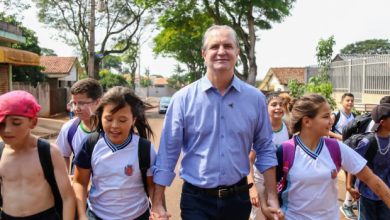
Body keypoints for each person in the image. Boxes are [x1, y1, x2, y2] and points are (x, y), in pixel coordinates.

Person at [151, 25, 282, 220]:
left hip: (238, 199)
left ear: (237, 52)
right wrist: (158, 202)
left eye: (228, 46)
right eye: (214, 46)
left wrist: (271, 196)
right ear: (204, 54)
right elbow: (168, 152)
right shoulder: (183, 99)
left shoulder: (255, 99)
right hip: (196, 201)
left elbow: (264, 147)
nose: (221, 51)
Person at [279, 93, 390, 220]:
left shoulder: (335, 147)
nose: (331, 120)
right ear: (307, 121)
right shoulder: (286, 150)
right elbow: (271, 191)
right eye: (326, 116)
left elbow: (371, 179)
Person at [72, 86, 156, 220]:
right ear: (101, 117)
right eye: (109, 119)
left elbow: (153, 186)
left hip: (138, 216)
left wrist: (158, 208)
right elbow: (80, 182)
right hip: (97, 215)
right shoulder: (91, 144)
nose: (115, 126)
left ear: (133, 120)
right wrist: (82, 215)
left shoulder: (145, 148)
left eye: (122, 120)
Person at [0, 90, 75, 220]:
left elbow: (67, 197)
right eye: (1, 124)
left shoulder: (49, 152)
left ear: (33, 122)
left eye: (16, 123)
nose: (7, 130)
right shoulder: (1, 153)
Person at [249, 92, 290, 220]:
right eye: (273, 105)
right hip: (260, 181)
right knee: (260, 215)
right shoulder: (259, 130)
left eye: (281, 105)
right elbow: (249, 160)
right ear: (265, 108)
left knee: (276, 215)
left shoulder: (287, 128)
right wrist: (252, 188)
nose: (278, 107)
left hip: (279, 182)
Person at [347, 103, 390, 220]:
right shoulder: (367, 141)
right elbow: (354, 163)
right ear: (382, 122)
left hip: (385, 193)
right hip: (366, 193)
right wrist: (349, 186)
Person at [56, 78, 103, 174]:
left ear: (98, 102)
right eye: (74, 103)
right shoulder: (69, 129)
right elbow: (62, 155)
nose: (76, 108)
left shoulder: (111, 130)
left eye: (81, 103)